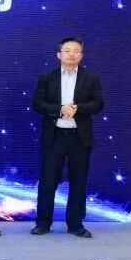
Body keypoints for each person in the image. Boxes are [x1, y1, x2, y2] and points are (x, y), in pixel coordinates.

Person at [31, 37, 104, 238]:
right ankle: (43, 223)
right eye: (67, 50)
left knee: (78, 181)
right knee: (47, 181)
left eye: (76, 51)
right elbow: (37, 103)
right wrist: (59, 109)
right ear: (59, 54)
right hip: (54, 136)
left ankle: (75, 224)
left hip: (80, 137)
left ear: (81, 55)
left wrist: (78, 109)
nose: (71, 54)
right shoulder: (47, 77)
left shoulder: (91, 78)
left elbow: (99, 103)